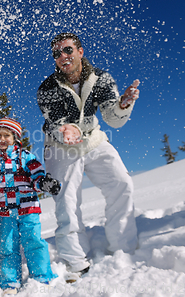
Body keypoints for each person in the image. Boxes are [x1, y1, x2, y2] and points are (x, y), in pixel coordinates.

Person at [36, 32, 140, 279]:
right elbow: (53, 123)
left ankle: (123, 247)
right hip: (60, 144)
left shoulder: (101, 79)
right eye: (57, 53)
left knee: (121, 182)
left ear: (80, 51)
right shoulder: (47, 88)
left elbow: (112, 119)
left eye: (68, 50)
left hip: (92, 138)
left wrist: (123, 105)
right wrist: (64, 130)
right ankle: (75, 259)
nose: (63, 56)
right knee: (67, 197)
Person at [0, 117, 60, 295]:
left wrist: (45, 183)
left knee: (33, 241)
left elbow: (37, 177)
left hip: (28, 209)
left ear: (15, 137)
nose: (1, 139)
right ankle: (10, 282)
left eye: (6, 135)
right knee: (7, 247)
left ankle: (42, 276)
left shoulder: (27, 158)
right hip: (4, 213)